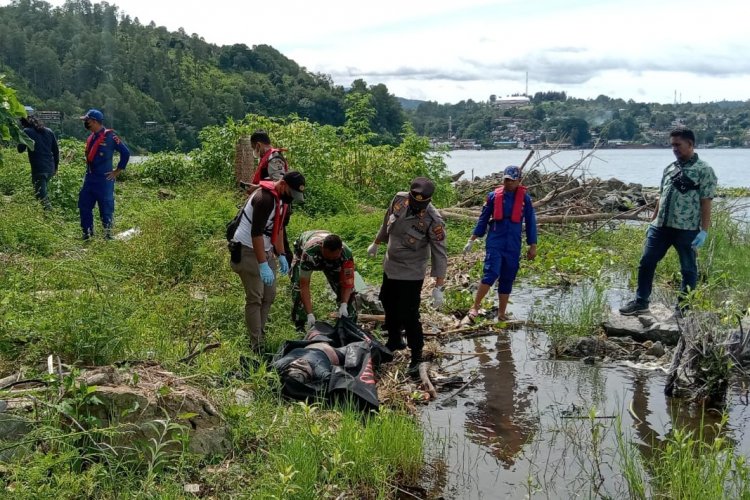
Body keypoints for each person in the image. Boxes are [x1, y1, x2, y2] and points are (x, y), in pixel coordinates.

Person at [619, 127, 717, 316]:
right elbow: (661, 196)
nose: (674, 149)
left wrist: (703, 231)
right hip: (660, 228)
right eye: (672, 145)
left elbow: (706, 202)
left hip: (686, 229)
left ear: (690, 144)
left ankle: (684, 308)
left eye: (678, 145)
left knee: (688, 269)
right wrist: (653, 221)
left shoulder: (704, 170)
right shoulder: (670, 168)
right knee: (646, 262)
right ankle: (641, 302)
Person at [367, 177, 447, 374]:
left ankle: (416, 354)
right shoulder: (399, 200)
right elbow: (387, 220)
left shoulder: (433, 220)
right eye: (414, 200)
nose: (416, 205)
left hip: (412, 272)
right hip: (391, 265)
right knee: (387, 300)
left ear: (428, 201)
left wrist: (439, 286)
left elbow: (440, 252)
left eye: (421, 203)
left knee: (409, 314)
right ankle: (395, 339)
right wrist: (377, 243)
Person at [230, 171, 306, 352]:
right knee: (255, 297)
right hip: (247, 249)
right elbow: (255, 234)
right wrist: (262, 264)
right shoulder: (264, 199)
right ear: (283, 184)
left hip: (266, 249)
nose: (292, 198)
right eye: (291, 193)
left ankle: (260, 334)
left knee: (269, 295)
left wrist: (280, 253)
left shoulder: (283, 203)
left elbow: (278, 229)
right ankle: (256, 344)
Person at [463, 165, 538, 321]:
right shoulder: (493, 196)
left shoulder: (525, 199)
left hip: (513, 244)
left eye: (512, 180)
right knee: (491, 273)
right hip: (495, 241)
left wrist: (533, 245)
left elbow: (531, 222)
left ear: (518, 180)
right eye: (506, 180)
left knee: (508, 276)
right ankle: (475, 307)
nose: (508, 183)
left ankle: (502, 314)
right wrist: (472, 239)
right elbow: (483, 219)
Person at [78, 109, 130, 240]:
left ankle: (107, 235)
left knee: (106, 208)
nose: (85, 123)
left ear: (94, 121)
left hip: (104, 180)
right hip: (90, 178)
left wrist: (117, 171)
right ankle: (87, 234)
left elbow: (125, 153)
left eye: (87, 121)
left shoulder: (110, 137)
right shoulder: (91, 137)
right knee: (84, 205)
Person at [290, 230, 357, 331]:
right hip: (306, 251)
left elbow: (348, 283)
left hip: (333, 259)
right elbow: (304, 285)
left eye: (334, 257)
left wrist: (344, 304)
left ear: (340, 250)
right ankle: (300, 324)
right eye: (328, 256)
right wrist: (310, 314)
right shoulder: (309, 254)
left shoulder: (346, 255)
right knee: (297, 287)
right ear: (322, 248)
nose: (330, 259)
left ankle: (348, 325)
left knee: (350, 294)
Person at [249, 129, 293, 263]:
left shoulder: (274, 158)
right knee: (270, 236)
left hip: (277, 206)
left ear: (258, 145)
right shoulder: (267, 157)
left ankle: (291, 273)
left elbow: (281, 183)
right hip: (268, 205)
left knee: (280, 240)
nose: (254, 152)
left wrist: (257, 187)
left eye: (253, 148)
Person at [17, 115, 59, 211]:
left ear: (24, 124)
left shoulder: (27, 131)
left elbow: (20, 149)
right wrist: (56, 167)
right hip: (50, 168)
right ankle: (44, 217)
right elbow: (56, 151)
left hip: (39, 169)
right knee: (41, 193)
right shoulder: (49, 131)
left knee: (41, 197)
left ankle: (52, 218)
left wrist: (20, 136)